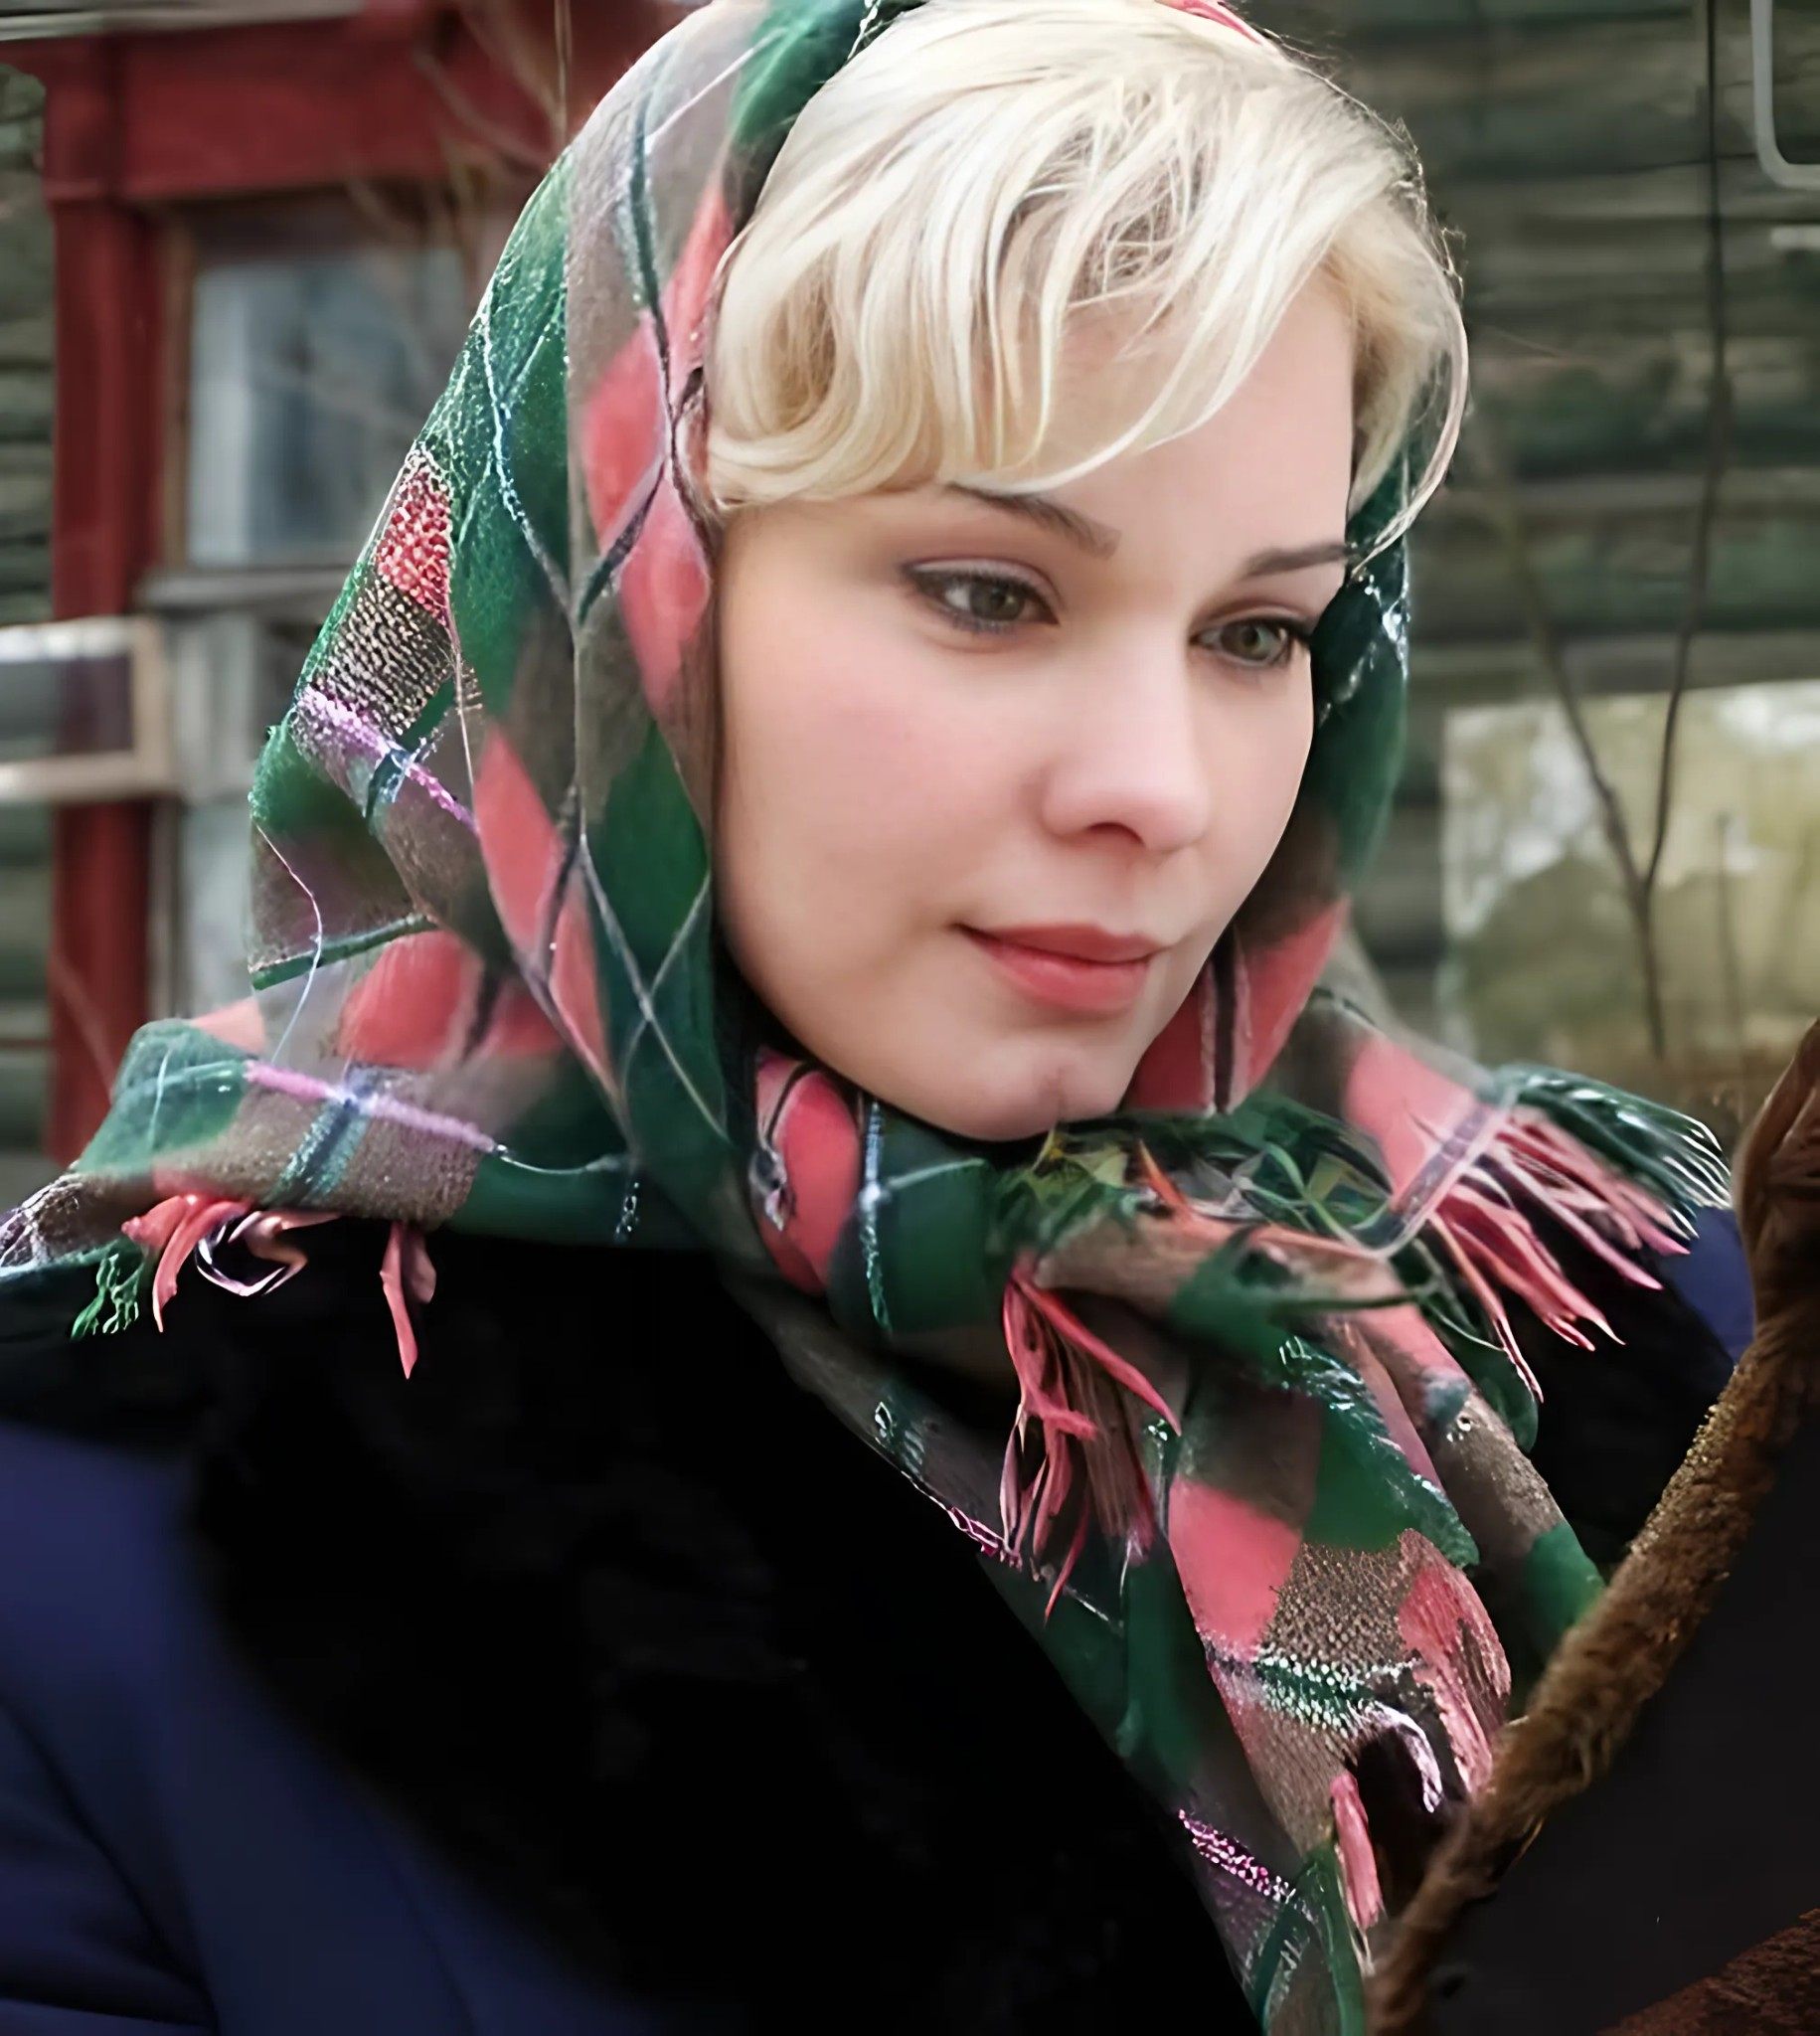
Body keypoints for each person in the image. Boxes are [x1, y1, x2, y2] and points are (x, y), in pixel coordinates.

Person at [0, 1, 1752, 2030]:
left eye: (1255, 629)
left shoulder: (1621, 1317)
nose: (1161, 790)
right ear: (625, 607)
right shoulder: (108, 1521)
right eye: (988, 592)